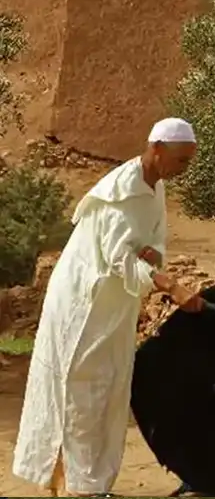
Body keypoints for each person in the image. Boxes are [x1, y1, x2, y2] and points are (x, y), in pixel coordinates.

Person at [12, 118, 204, 498]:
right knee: (82, 389)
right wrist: (173, 287)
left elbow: (149, 244)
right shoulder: (121, 192)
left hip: (114, 307)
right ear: (157, 150)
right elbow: (119, 257)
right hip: (84, 306)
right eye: (181, 160)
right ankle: (77, 485)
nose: (184, 169)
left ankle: (87, 483)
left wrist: (153, 256)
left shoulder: (155, 189)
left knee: (107, 389)